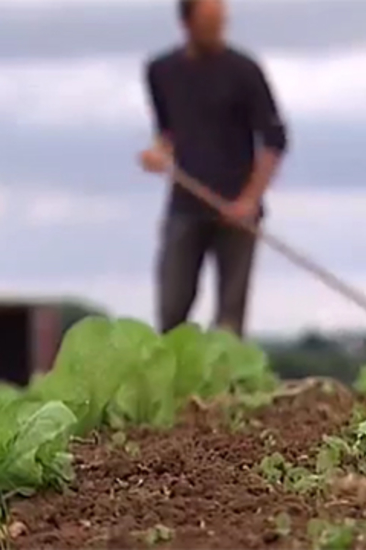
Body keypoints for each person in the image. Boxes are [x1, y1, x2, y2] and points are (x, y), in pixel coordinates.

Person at [139, 0, 288, 337]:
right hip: (186, 204)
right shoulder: (160, 71)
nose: (218, 30)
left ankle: (228, 386)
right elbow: (168, 132)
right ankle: (175, 387)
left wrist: (250, 200)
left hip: (237, 211)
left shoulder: (244, 71)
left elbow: (275, 139)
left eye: (221, 22)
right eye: (210, 23)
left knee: (229, 320)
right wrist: (158, 154)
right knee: (172, 307)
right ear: (187, 23)